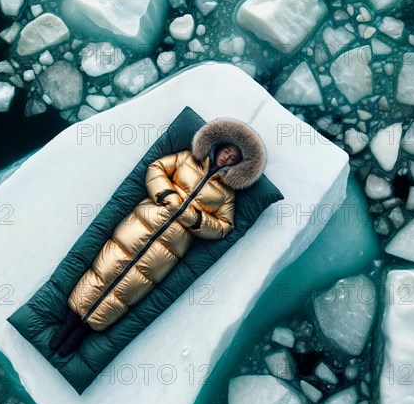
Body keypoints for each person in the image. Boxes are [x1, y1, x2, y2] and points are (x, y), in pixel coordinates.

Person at [49, 117, 267, 357]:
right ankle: (71, 319)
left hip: (168, 250)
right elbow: (156, 168)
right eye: (227, 152)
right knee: (105, 268)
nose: (227, 158)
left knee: (131, 286)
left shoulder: (226, 194)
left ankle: (87, 328)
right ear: (218, 145)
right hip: (140, 226)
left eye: (234, 159)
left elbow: (224, 227)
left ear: (238, 166)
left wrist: (195, 219)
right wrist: (166, 194)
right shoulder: (186, 159)